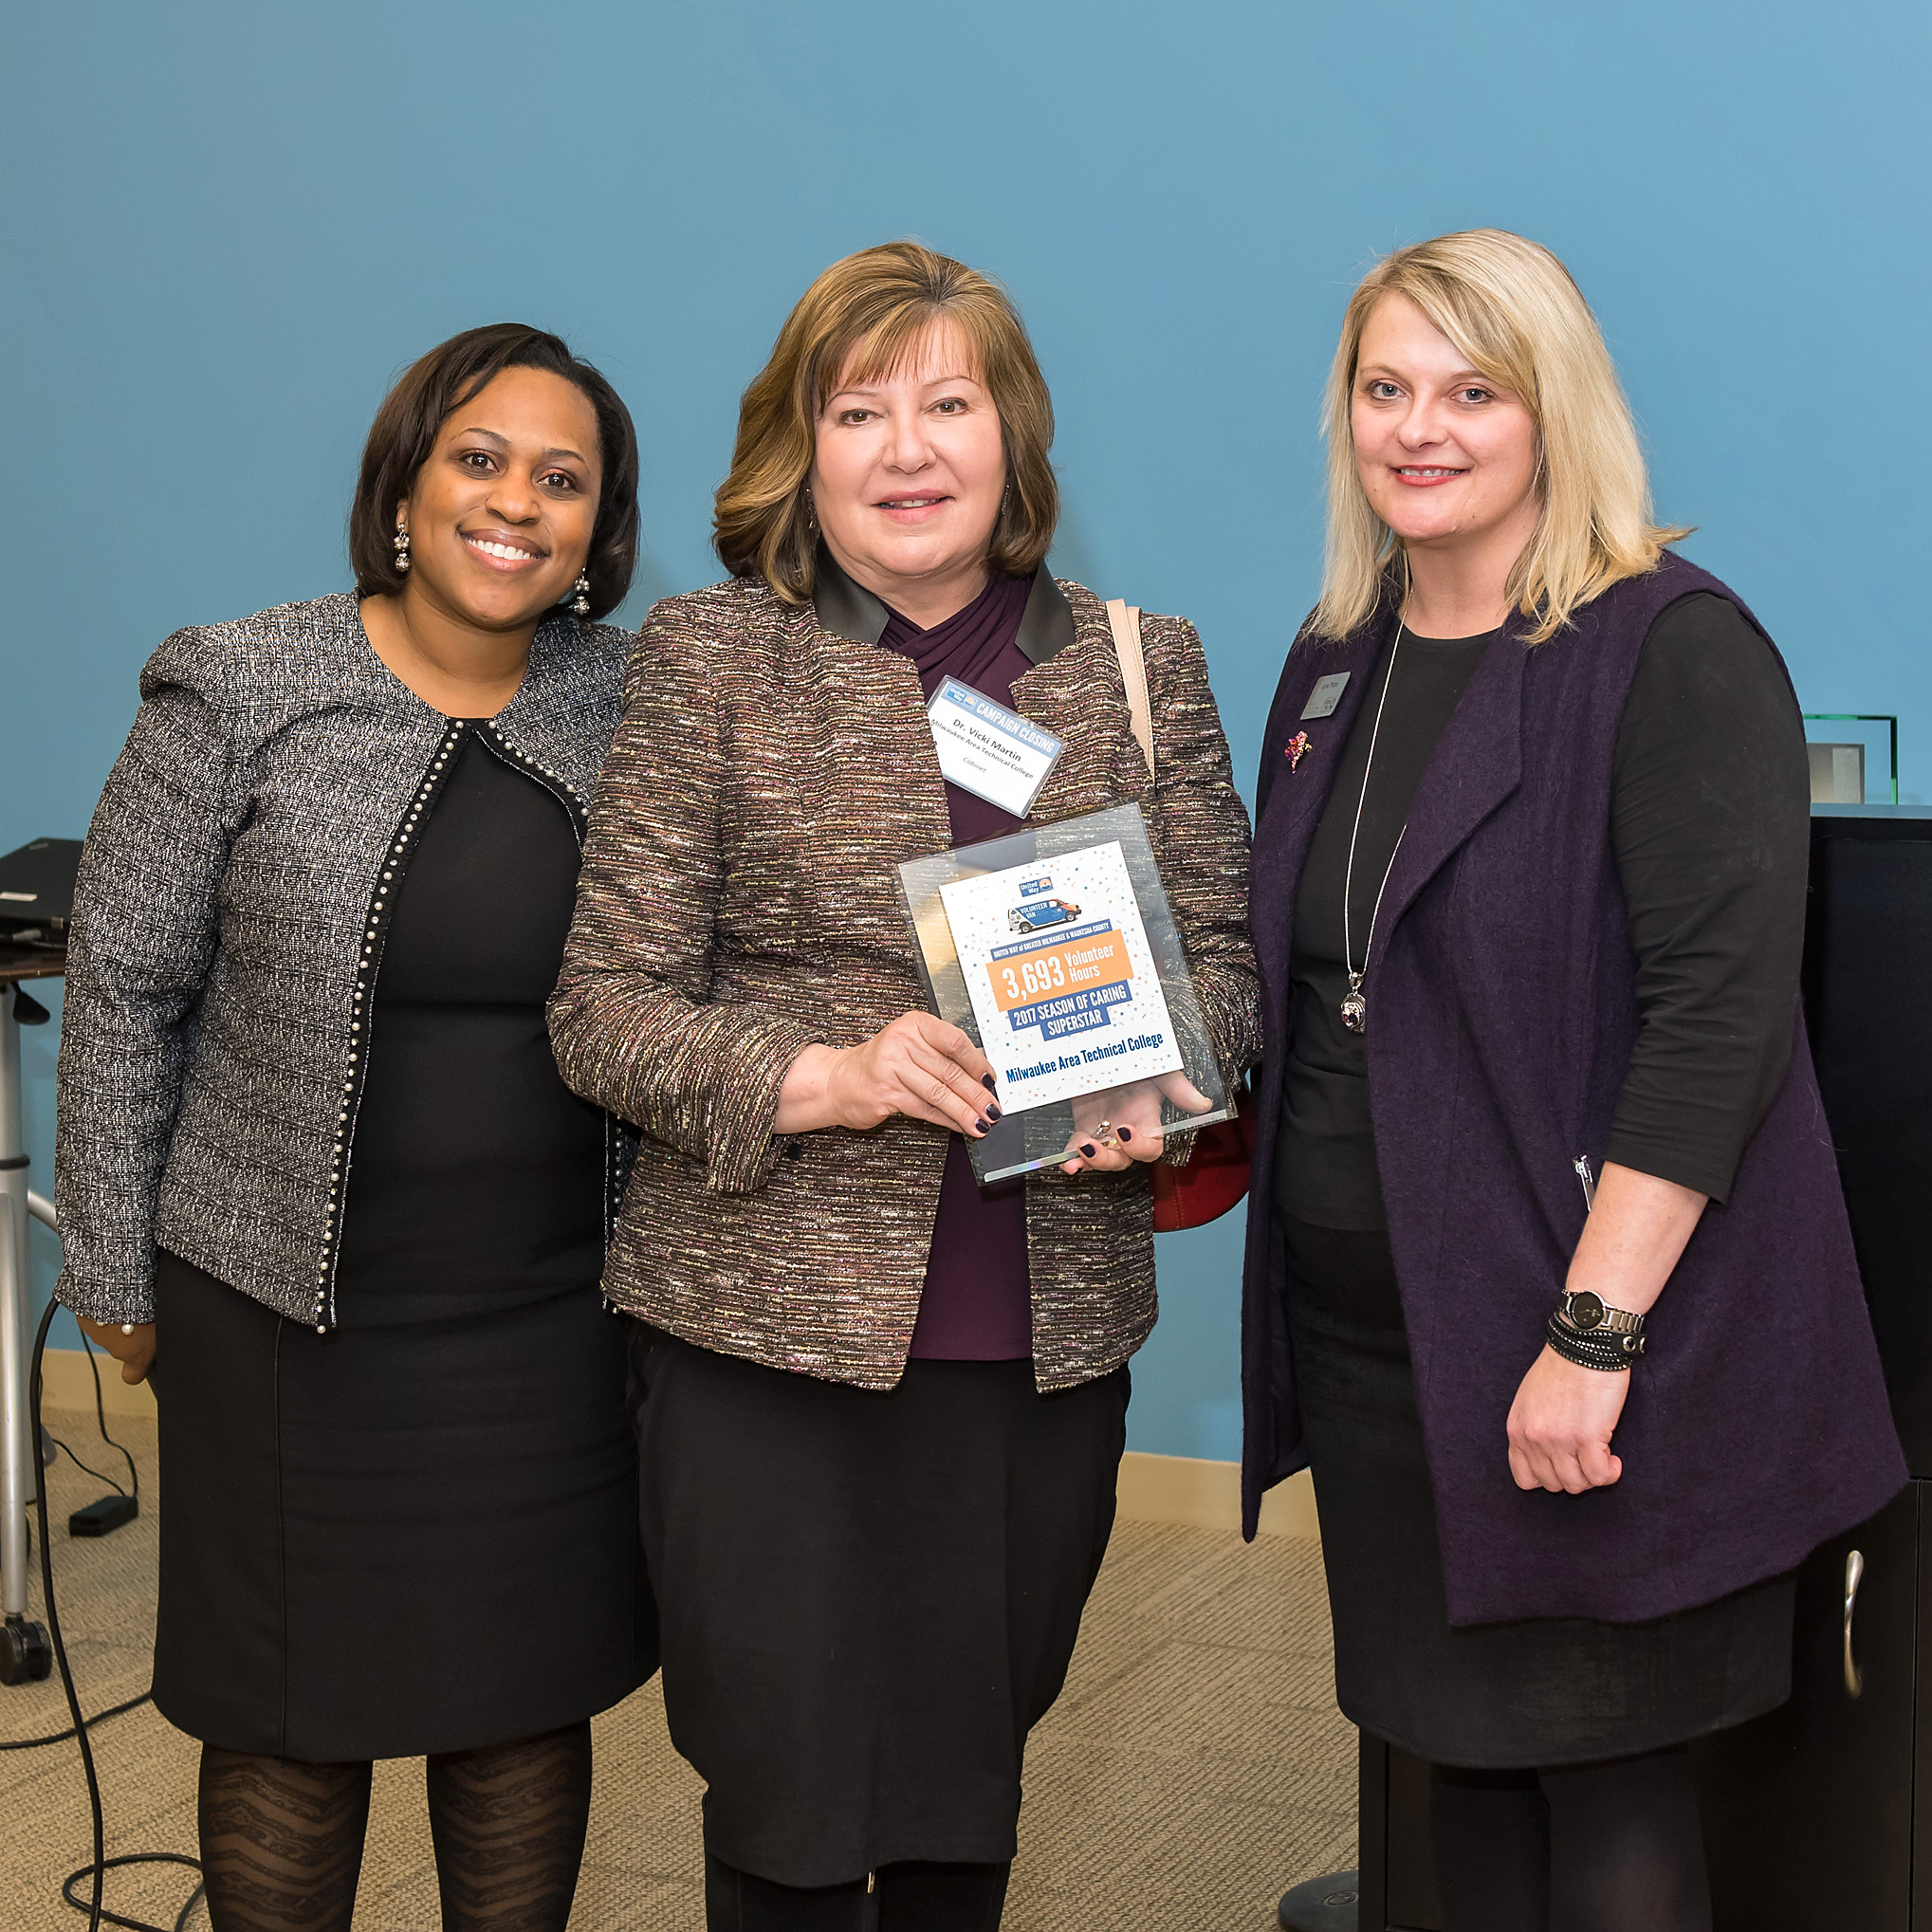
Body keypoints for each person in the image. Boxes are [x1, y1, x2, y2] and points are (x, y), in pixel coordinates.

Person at [548, 241, 1260, 1931]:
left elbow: (1227, 963)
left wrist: (1158, 1075)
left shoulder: (1139, 666)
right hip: (762, 1334)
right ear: (802, 444)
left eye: (948, 403)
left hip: (1038, 1336)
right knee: (787, 1785)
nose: (907, 447)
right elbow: (603, 1005)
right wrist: (821, 1072)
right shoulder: (712, 659)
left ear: (1011, 435)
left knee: (964, 1779)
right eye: (858, 409)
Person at [1242, 229, 1906, 1932]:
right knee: (1448, 1783)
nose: (1420, 427)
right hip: (1388, 1353)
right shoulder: (1331, 665)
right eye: (1383, 387)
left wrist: (1588, 1337)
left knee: (1605, 1795)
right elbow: (1322, 990)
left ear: (1555, 411)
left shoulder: (1667, 648)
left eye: (1473, 389)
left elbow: (1715, 1025)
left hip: (1587, 1356)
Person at [54, 323, 656, 1932]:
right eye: (479, 458)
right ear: (405, 481)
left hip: (551, 1323)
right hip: (279, 1322)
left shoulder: (637, 702)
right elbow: (122, 980)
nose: (514, 502)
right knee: (289, 1723)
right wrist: (112, 1260)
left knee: (521, 1704)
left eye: (562, 478)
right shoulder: (239, 680)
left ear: (601, 533)